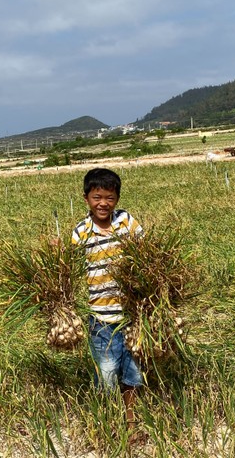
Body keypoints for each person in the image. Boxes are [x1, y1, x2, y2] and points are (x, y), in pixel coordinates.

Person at [70, 167, 146, 445]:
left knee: (133, 373)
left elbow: (147, 250)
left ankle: (131, 423)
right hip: (100, 318)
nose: (104, 203)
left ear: (117, 198)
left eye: (110, 197)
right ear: (86, 198)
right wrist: (55, 249)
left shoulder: (126, 221)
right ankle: (108, 423)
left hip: (131, 315)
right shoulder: (81, 231)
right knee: (106, 374)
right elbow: (67, 260)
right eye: (97, 197)